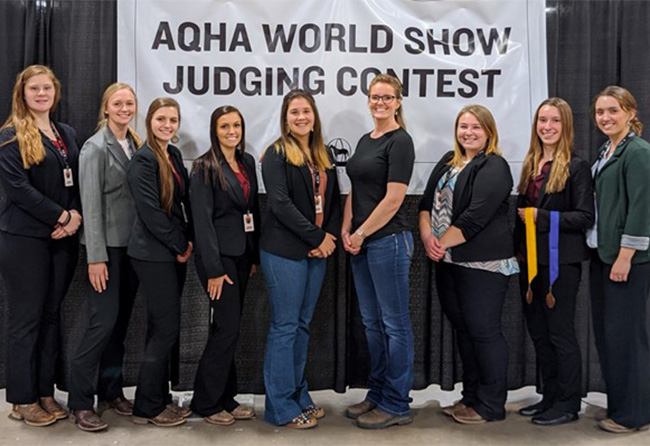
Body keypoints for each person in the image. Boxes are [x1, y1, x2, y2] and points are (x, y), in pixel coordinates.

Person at [418, 104, 517, 424]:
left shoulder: (495, 166)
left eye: (476, 127)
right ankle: (471, 397)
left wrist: (440, 242)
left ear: (489, 132)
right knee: (465, 331)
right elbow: (423, 205)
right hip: (448, 261)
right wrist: (428, 241)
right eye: (463, 126)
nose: (469, 132)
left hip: (483, 265)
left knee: (484, 332)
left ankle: (491, 405)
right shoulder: (448, 161)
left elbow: (476, 216)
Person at [0, 65, 82, 426]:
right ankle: (22, 398)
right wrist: (61, 218)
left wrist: (76, 214)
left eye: (46, 88)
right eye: (34, 88)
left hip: (63, 239)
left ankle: (45, 391)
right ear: (23, 93)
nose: (41, 94)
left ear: (55, 92)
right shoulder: (9, 135)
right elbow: (18, 190)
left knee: (51, 317)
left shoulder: (65, 133)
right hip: (24, 240)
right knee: (25, 320)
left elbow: (75, 180)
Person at [260, 89, 341, 429]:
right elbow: (280, 205)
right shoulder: (276, 154)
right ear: (285, 117)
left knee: (302, 326)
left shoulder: (322, 154)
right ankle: (280, 406)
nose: (301, 117)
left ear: (314, 115)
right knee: (285, 327)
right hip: (284, 252)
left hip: (317, 253)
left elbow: (335, 201)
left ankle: (298, 394)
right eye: (294, 112)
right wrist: (316, 237)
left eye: (306, 111)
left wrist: (329, 238)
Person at [66, 83, 142, 431]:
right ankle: (81, 402)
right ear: (106, 108)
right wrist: (96, 257)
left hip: (133, 248)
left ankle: (111, 391)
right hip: (106, 251)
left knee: (119, 327)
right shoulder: (95, 148)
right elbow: (91, 207)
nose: (125, 108)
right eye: (118, 103)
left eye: (129, 103)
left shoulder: (135, 142)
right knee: (102, 324)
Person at [513, 98, 594, 426]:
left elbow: (584, 216)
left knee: (560, 333)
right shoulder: (531, 164)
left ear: (566, 126)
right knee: (539, 333)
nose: (547, 127)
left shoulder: (576, 166)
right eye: (543, 120)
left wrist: (541, 217)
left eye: (555, 121)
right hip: (530, 261)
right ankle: (550, 396)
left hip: (562, 263)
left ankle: (568, 403)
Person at [342, 73, 416, 429]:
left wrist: (360, 233)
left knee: (394, 325)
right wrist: (346, 228)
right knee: (373, 325)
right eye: (375, 97)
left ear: (398, 102)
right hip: (361, 242)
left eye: (387, 97)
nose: (380, 103)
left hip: (389, 241)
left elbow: (394, 199)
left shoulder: (400, 142)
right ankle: (379, 392)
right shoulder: (364, 139)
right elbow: (355, 189)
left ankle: (397, 403)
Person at [189, 105, 260, 426]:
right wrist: (215, 269)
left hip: (243, 256)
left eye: (236, 126)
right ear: (214, 131)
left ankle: (226, 397)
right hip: (217, 261)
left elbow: (252, 210)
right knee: (226, 329)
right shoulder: (204, 167)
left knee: (230, 330)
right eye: (224, 127)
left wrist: (255, 255)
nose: (232, 131)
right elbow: (201, 223)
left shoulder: (246, 163)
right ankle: (205, 402)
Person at [587, 86, 650, 434]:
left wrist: (626, 256)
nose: (605, 118)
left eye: (613, 111)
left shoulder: (638, 152)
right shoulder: (607, 150)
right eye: (600, 112)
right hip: (604, 254)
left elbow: (642, 209)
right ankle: (620, 404)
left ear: (630, 112)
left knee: (627, 337)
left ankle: (635, 414)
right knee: (610, 336)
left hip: (627, 261)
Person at [127, 97, 193, 427]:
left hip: (170, 252)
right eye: (161, 119)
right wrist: (179, 243)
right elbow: (150, 213)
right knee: (164, 329)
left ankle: (160, 398)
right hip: (152, 254)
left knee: (162, 328)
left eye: (173, 120)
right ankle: (147, 407)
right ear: (150, 121)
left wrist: (184, 242)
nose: (167, 125)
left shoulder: (174, 154)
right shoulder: (143, 159)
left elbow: (181, 201)